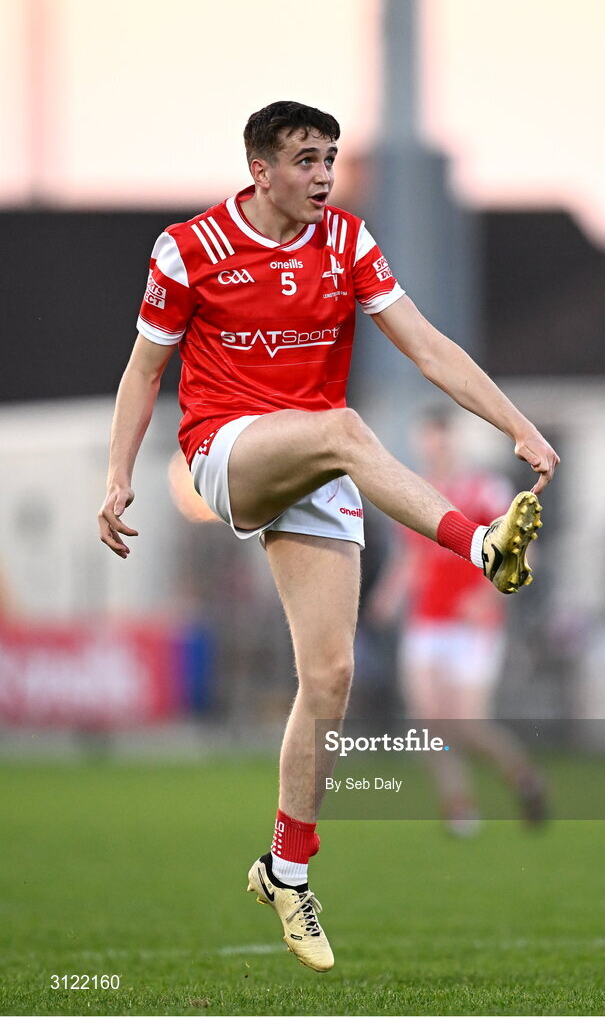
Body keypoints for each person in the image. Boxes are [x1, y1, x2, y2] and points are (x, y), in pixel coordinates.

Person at [98, 101, 559, 972]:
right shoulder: (189, 248)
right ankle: (479, 545)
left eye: (332, 159)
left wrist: (518, 426)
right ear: (260, 169)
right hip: (226, 451)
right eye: (306, 159)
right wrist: (119, 476)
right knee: (344, 428)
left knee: (332, 682)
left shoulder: (346, 242)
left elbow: (426, 347)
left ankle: (285, 869)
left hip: (314, 461)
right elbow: (142, 370)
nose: (323, 175)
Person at [368, 407, 547, 836]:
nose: (433, 450)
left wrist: (487, 596)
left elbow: (523, 549)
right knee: (429, 721)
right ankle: (459, 807)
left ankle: (523, 776)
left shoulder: (484, 490)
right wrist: (389, 595)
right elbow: (413, 555)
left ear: (453, 442)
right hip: (427, 620)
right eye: (427, 442)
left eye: (440, 441)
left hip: (472, 625)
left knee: (466, 724)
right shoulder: (417, 491)